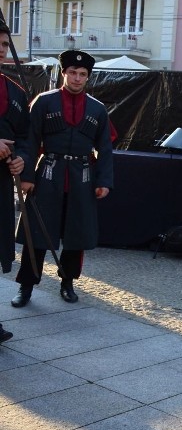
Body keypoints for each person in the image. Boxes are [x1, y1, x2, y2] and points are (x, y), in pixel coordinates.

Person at [11, 49, 113, 308]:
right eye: (72, 73)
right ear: (64, 73)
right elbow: (30, 141)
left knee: (75, 236)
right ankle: (26, 286)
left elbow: (105, 148)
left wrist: (103, 181)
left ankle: (67, 283)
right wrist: (26, 176)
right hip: (47, 175)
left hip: (82, 179)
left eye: (82, 74)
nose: (77, 78)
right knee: (37, 235)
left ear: (88, 77)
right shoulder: (44, 102)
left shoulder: (98, 109)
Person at [0, 23, 29, 344]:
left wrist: (21, 157)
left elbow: (23, 136)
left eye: (6, 44)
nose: (2, 49)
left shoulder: (16, 93)